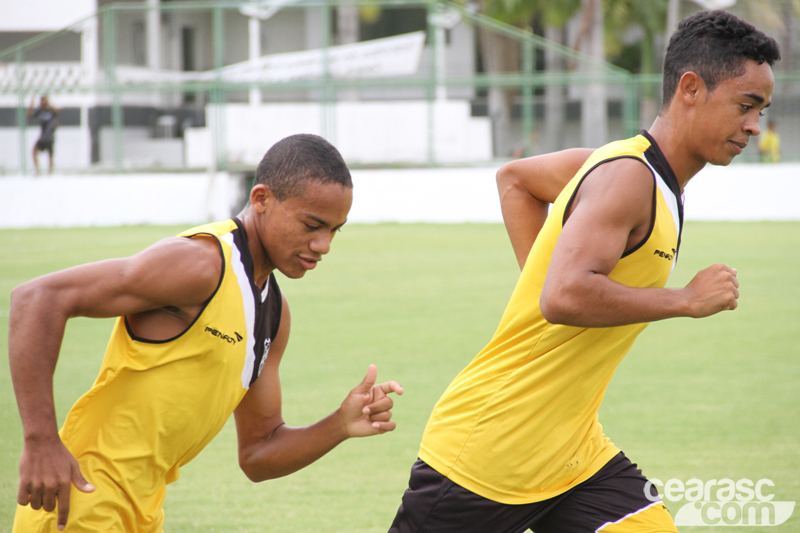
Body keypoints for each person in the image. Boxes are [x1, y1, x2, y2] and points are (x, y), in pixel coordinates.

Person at [389, 10, 779, 533]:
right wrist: (684, 300)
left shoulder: (628, 168)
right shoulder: (627, 177)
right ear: (690, 88)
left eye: (761, 110)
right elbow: (563, 297)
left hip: (572, 453)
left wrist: (544, 281)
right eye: (746, 105)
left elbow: (516, 181)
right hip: (489, 453)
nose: (755, 125)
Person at [10, 133, 403, 532]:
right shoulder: (201, 264)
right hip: (83, 499)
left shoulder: (274, 313)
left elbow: (259, 453)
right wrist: (41, 441)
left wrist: (338, 424)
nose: (323, 245)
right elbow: (36, 299)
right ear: (262, 199)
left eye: (336, 230)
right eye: (312, 225)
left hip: (142, 510)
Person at [27, 95, 59, 174]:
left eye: (43, 100)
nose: (42, 102)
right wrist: (31, 105)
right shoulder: (39, 111)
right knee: (34, 150)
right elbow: (29, 115)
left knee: (50, 155)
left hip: (50, 137)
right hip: (42, 137)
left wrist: (49, 104)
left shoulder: (50, 110)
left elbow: (57, 111)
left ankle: (50, 172)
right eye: (41, 100)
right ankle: (38, 170)